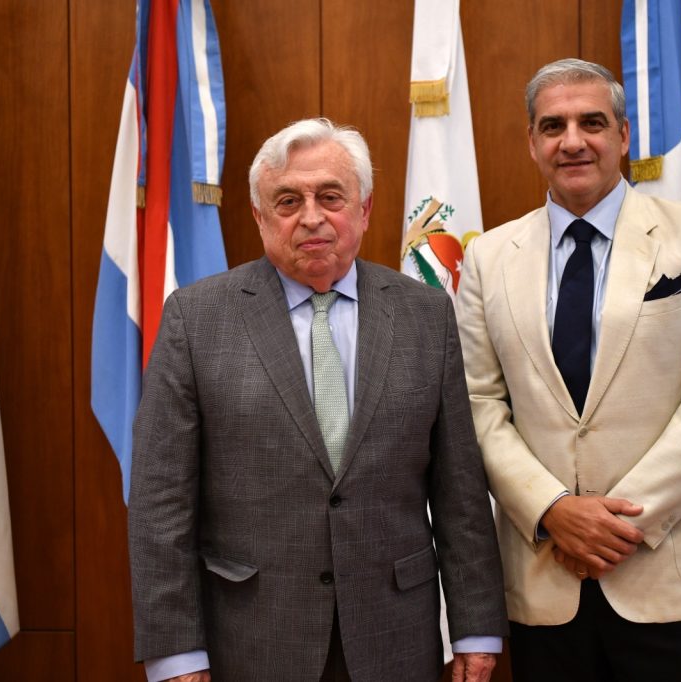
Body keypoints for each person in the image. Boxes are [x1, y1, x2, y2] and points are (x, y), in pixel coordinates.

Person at [128, 118, 507, 682]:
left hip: (395, 637)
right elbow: (161, 501)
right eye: (287, 201)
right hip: (253, 639)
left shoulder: (425, 315)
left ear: (364, 209)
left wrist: (475, 629)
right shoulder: (197, 318)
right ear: (259, 216)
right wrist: (177, 653)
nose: (311, 217)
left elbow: (460, 491)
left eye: (331, 197)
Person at [455, 58, 681, 681]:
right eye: (553, 126)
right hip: (546, 581)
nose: (572, 141)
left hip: (675, 580)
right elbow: (477, 404)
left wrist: (612, 524)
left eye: (591, 123)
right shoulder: (488, 258)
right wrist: (552, 509)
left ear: (623, 136)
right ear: (532, 143)